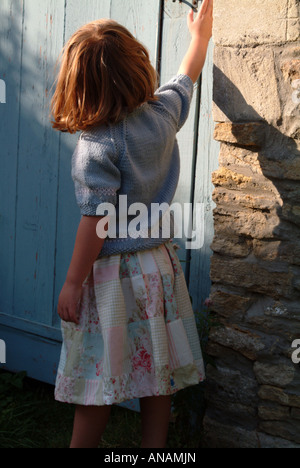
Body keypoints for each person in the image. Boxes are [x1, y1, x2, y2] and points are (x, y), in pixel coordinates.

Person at [51, 0, 213, 449]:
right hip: (158, 269)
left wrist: (71, 281)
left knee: (100, 374)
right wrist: (199, 35)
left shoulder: (96, 145)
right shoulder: (162, 114)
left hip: (113, 279)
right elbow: (187, 75)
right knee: (155, 370)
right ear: (136, 68)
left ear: (80, 86)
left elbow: (97, 221)